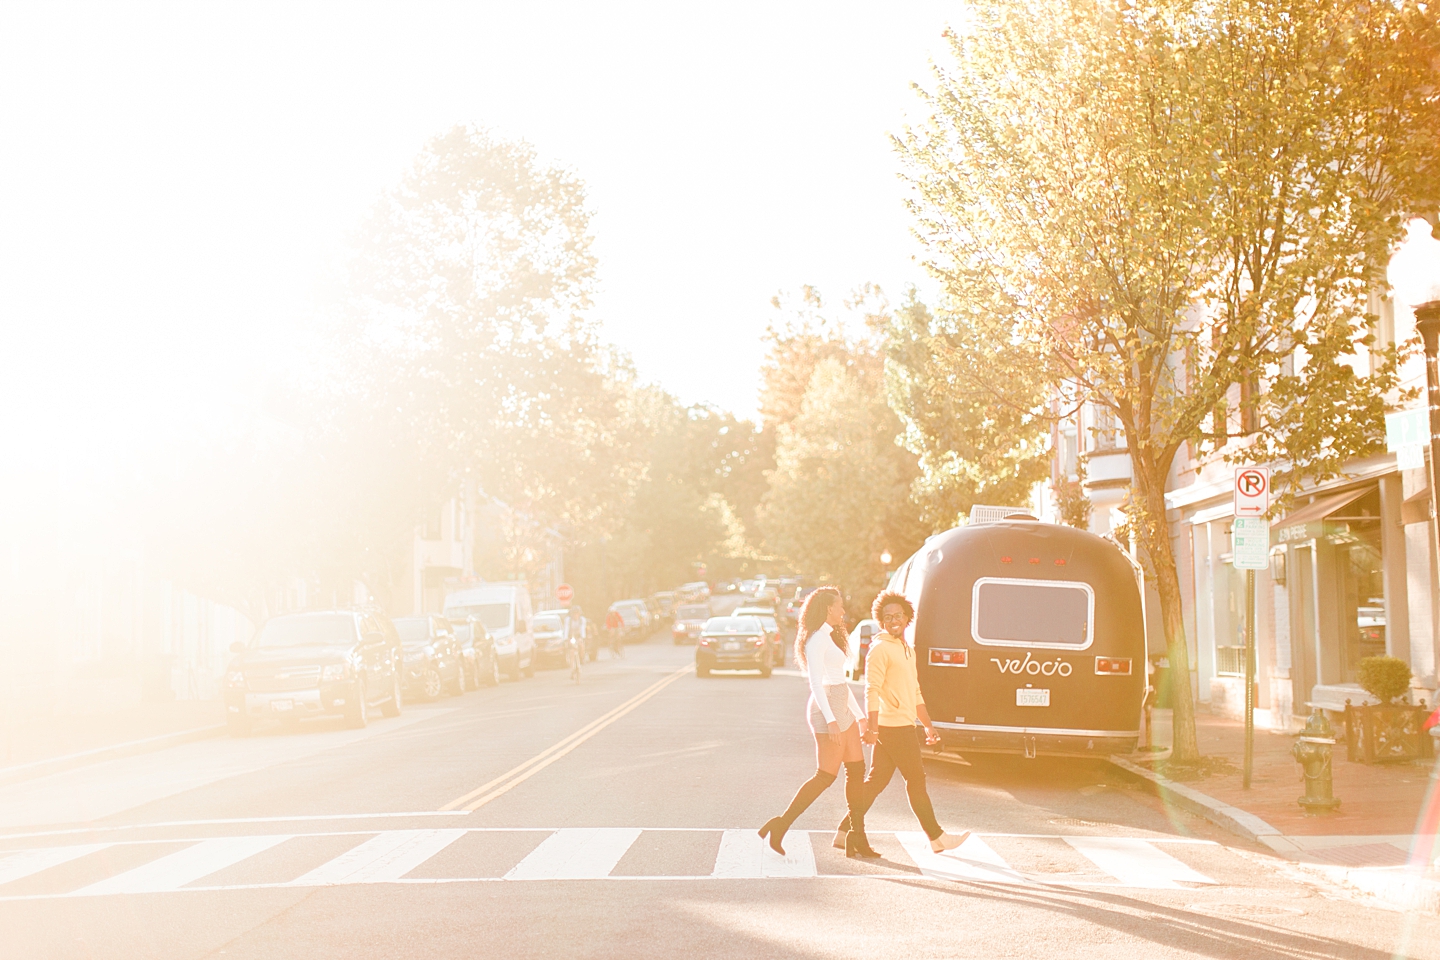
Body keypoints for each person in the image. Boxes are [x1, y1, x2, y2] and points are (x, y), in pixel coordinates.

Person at [835, 590, 969, 856]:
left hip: (905, 724)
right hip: (891, 726)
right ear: (881, 621)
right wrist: (872, 728)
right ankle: (937, 837)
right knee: (916, 779)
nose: (893, 620)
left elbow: (915, 691)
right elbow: (871, 689)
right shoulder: (880, 649)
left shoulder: (908, 650)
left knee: (876, 781)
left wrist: (928, 726)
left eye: (898, 616)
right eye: (887, 617)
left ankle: (843, 832)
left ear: (907, 618)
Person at [758, 587, 877, 859]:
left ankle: (856, 837)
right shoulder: (816, 640)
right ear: (827, 608)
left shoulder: (829, 636)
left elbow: (841, 684)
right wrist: (832, 721)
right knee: (826, 776)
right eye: (840, 606)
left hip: (840, 701)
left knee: (857, 770)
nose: (843, 611)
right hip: (826, 708)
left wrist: (859, 718)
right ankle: (781, 824)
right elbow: (816, 683)